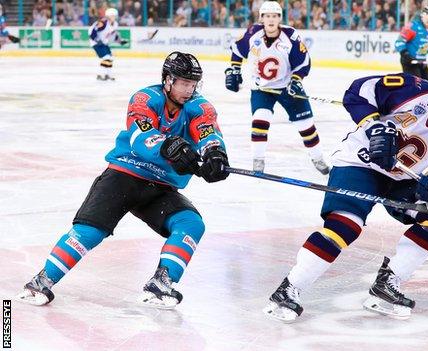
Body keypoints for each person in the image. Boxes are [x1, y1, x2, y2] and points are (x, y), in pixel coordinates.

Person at [263, 58, 428, 322]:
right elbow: (357, 91)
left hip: (401, 181)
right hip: (359, 164)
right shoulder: (409, 89)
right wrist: (376, 126)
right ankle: (290, 288)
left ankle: (389, 282)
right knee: (345, 226)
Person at [17, 52, 230, 309]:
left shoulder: (199, 106)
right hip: (124, 175)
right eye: (184, 83)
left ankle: (161, 282)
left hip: (160, 187)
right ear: (168, 80)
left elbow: (207, 131)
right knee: (89, 231)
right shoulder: (145, 98)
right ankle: (41, 282)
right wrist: (169, 147)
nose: (189, 89)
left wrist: (214, 155)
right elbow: (140, 136)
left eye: (193, 84)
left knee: (191, 224)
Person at [225, 1, 329, 174]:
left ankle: (318, 159)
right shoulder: (253, 33)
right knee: (260, 120)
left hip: (287, 87)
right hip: (262, 89)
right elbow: (237, 50)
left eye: (274, 16)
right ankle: (258, 160)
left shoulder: (291, 35)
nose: (271, 20)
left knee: (306, 126)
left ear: (279, 18)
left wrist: (296, 80)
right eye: (267, 16)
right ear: (262, 18)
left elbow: (303, 61)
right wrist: (234, 70)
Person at [395, 5, 428, 81]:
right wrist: (405, 53)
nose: (427, 19)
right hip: (410, 62)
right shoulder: (413, 26)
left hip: (422, 62)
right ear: (422, 17)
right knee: (416, 85)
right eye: (425, 16)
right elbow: (399, 42)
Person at [88, 8, 128, 81]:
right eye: (112, 16)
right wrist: (96, 39)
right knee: (106, 57)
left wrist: (120, 41)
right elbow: (92, 31)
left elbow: (113, 35)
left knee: (110, 58)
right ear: (108, 16)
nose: (114, 17)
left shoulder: (115, 24)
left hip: (104, 42)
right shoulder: (103, 22)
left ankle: (107, 75)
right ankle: (100, 74)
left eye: (115, 16)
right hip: (96, 43)